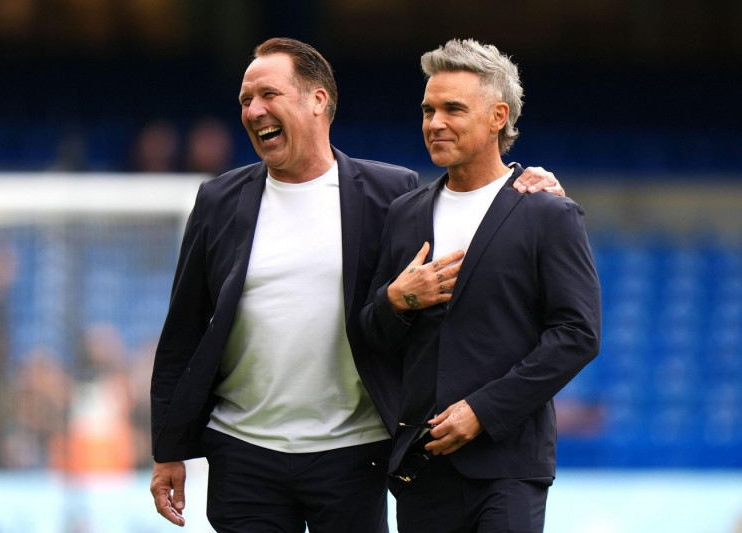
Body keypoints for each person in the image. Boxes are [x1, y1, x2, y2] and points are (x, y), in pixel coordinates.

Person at [149, 37, 563, 532]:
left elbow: (472, 207)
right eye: (245, 100)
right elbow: (184, 331)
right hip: (242, 451)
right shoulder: (218, 200)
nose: (254, 110)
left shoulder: (393, 193)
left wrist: (529, 185)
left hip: (355, 451)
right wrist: (168, 451)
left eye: (268, 95)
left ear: (318, 100)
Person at [359, 39, 601, 532]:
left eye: (452, 109)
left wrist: (483, 412)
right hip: (421, 467)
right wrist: (397, 300)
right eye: (428, 109)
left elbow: (578, 334)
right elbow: (371, 335)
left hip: (508, 466)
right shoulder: (404, 214)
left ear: (497, 117)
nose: (434, 122)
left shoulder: (548, 213)